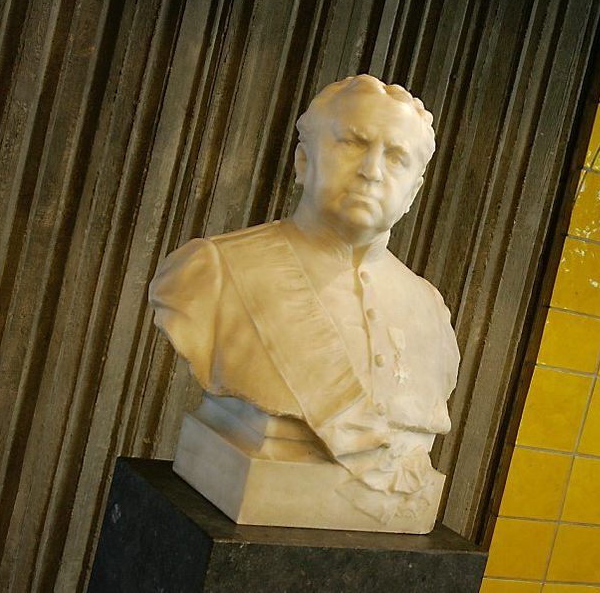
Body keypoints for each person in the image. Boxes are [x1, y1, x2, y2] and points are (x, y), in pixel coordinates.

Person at [149, 75, 459, 528]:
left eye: (396, 158)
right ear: (302, 160)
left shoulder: (431, 310)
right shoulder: (212, 272)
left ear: (414, 191)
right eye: (353, 143)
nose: (371, 170)